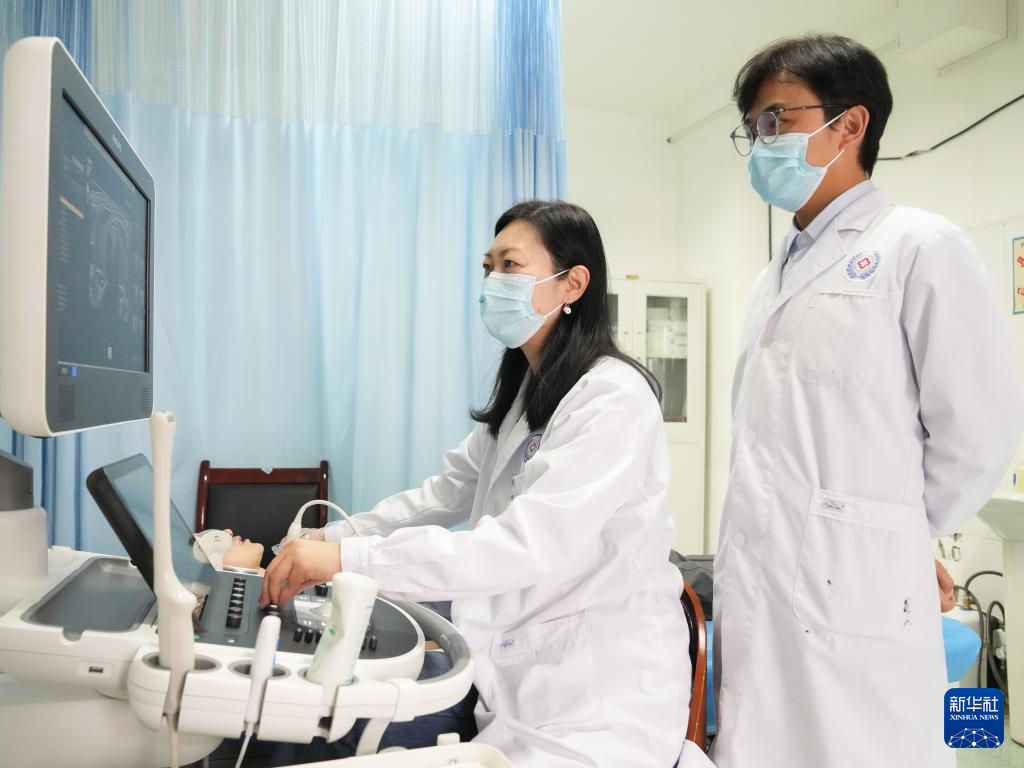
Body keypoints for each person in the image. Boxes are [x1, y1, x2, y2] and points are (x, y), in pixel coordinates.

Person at [260, 200, 692, 766]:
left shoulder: (613, 398)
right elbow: (442, 495)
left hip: (593, 698)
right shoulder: (527, 393)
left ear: (573, 284)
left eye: (511, 266)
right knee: (310, 711)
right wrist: (327, 540)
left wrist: (348, 559)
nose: (492, 283)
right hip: (509, 666)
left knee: (322, 726)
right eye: (488, 268)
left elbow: (523, 545)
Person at [715, 33, 1024, 767]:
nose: (761, 142)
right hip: (766, 581)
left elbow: (977, 432)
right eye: (753, 127)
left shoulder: (918, 246)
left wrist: (892, 532)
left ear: (850, 124)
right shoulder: (772, 277)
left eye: (776, 120)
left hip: (858, 589)